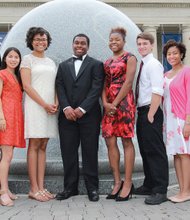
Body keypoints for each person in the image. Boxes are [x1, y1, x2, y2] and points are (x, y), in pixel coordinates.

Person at [55, 33, 104, 202]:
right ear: (72, 44)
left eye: (83, 43)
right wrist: (67, 107)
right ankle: (70, 188)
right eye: (76, 42)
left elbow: (96, 88)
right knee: (68, 153)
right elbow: (59, 87)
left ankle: (92, 188)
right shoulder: (62, 66)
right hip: (66, 117)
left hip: (89, 116)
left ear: (88, 46)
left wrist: (83, 108)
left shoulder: (97, 65)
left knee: (90, 152)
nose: (79, 45)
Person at [20, 27, 58, 202]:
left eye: (43, 39)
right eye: (37, 39)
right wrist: (43, 104)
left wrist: (56, 103)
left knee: (43, 144)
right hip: (35, 106)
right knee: (34, 143)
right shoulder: (27, 60)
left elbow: (55, 85)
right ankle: (33, 188)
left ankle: (41, 187)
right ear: (31, 41)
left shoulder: (51, 62)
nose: (40, 42)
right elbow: (27, 86)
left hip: (50, 107)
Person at [101, 27, 136, 201]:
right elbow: (104, 84)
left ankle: (128, 183)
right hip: (109, 106)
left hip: (124, 103)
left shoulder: (130, 58)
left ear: (123, 41)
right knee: (110, 141)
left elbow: (129, 82)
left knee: (126, 141)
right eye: (111, 40)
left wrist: (114, 103)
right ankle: (117, 182)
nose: (113, 42)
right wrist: (106, 103)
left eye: (117, 40)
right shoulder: (106, 62)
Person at [134, 32, 169, 205]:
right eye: (139, 44)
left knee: (155, 151)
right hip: (142, 111)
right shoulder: (143, 64)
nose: (141, 46)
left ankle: (160, 190)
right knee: (145, 150)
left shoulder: (154, 65)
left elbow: (158, 90)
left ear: (152, 45)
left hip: (151, 111)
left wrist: (151, 113)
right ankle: (149, 184)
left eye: (145, 44)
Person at [163, 40, 190, 203]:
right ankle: (181, 190)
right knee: (176, 155)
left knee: (185, 154)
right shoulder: (165, 75)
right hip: (169, 121)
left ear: (181, 55)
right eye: (168, 54)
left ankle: (186, 191)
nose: (172, 56)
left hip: (182, 119)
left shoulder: (187, 72)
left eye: (175, 53)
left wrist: (188, 122)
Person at [0, 47, 25, 206]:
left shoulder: (16, 77)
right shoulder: (1, 74)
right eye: (11, 56)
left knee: (9, 155)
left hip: (15, 117)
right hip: (5, 118)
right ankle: (3, 191)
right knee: (6, 155)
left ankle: (6, 188)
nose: (14, 59)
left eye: (16, 57)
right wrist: (1, 117)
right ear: (5, 58)